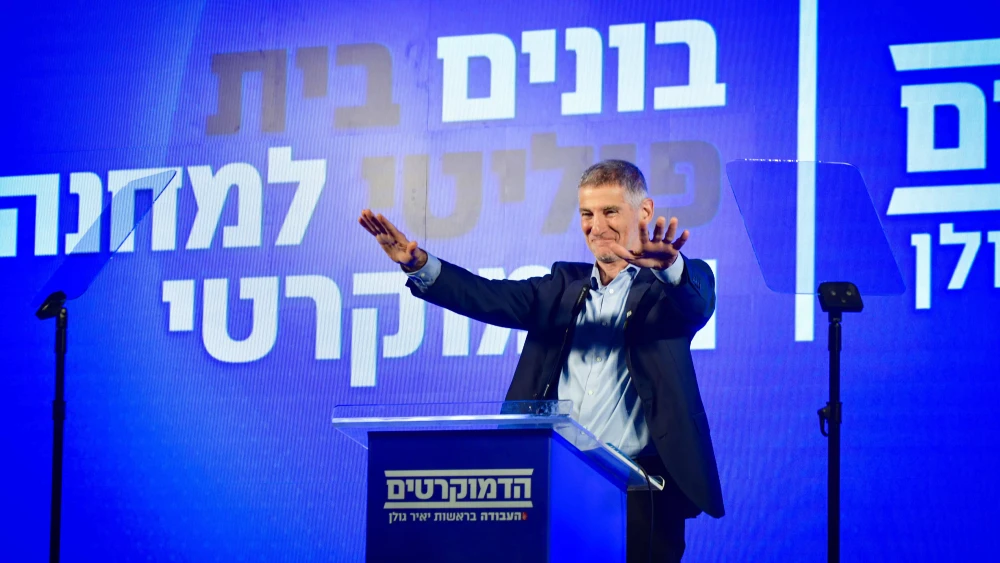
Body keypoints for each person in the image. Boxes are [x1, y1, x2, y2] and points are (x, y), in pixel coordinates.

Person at [358, 159, 723, 562]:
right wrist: (420, 265)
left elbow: (697, 301)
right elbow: (487, 296)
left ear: (645, 212)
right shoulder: (560, 286)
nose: (596, 226)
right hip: (555, 491)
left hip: (639, 498)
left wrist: (671, 267)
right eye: (587, 214)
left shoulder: (667, 291)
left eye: (610, 212)